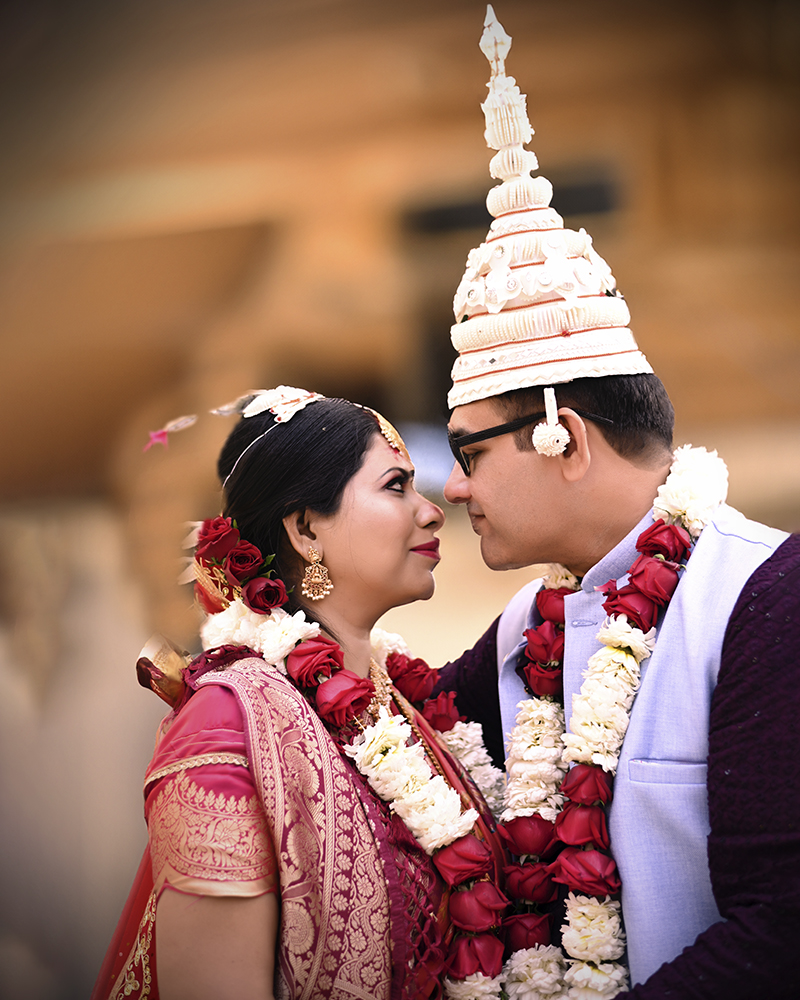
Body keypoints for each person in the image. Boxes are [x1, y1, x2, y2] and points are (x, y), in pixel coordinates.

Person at [432, 9, 799, 999]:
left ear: (566, 435)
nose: (453, 485)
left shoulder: (766, 595)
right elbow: (383, 754)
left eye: (469, 450)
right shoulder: (525, 629)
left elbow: (785, 927)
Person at [92, 387, 509, 1000]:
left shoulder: (395, 701)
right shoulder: (226, 723)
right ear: (306, 529)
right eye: (396, 486)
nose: (431, 511)